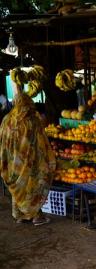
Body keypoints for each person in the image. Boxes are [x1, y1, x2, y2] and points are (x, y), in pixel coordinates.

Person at [0, 88, 56, 225]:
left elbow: (2, 140)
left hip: (13, 162)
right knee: (33, 186)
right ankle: (37, 216)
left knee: (18, 186)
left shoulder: (6, 119)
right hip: (30, 162)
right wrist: (49, 158)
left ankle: (19, 215)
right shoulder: (32, 121)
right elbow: (42, 143)